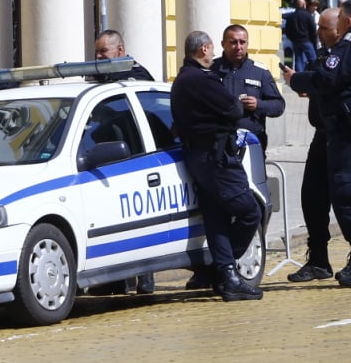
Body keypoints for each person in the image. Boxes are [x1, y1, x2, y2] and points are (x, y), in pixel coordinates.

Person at [281, 0, 351, 288]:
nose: (324, 31)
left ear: (347, 22)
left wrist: (298, 81)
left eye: (336, 22)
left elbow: (330, 77)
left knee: (348, 194)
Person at [171, 30, 263, 302]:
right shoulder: (198, 79)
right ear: (204, 49)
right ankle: (222, 271)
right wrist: (233, 106)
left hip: (205, 157)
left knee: (218, 219)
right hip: (216, 158)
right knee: (249, 211)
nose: (213, 54)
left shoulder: (185, 79)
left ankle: (227, 278)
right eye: (211, 49)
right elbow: (234, 110)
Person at [92, 29, 155, 295]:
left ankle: (146, 276)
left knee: (141, 220)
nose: (97, 56)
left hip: (136, 158)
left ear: (120, 51)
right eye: (96, 51)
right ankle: (117, 280)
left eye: (102, 51)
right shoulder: (100, 77)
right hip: (107, 161)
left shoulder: (135, 75)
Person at [287, 7, 341, 282]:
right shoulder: (323, 55)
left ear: (339, 28)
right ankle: (318, 259)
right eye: (318, 28)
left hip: (343, 137)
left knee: (347, 201)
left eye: (323, 29)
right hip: (321, 134)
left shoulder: (347, 55)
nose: (318, 34)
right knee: (312, 198)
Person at [211, 24, 286, 152]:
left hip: (251, 143)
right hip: (217, 142)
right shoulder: (211, 70)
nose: (238, 47)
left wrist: (258, 104)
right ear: (223, 44)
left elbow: (279, 106)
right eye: (233, 42)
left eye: (242, 42)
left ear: (247, 43)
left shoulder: (260, 72)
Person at [284, 0, 318, 72]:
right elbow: (313, 29)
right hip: (306, 40)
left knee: (298, 60)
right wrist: (313, 40)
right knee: (313, 59)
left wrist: (292, 39)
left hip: (296, 41)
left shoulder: (291, 16)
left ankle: (300, 76)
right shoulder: (308, 15)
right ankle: (315, 73)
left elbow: (287, 30)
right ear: (303, 5)